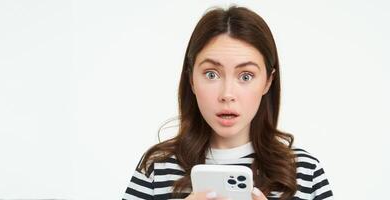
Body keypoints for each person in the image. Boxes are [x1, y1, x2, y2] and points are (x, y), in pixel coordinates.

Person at [123, 5, 333, 200]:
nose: (227, 94)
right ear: (191, 80)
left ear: (268, 82)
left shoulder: (305, 172)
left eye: (246, 76)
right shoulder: (156, 168)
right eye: (212, 74)